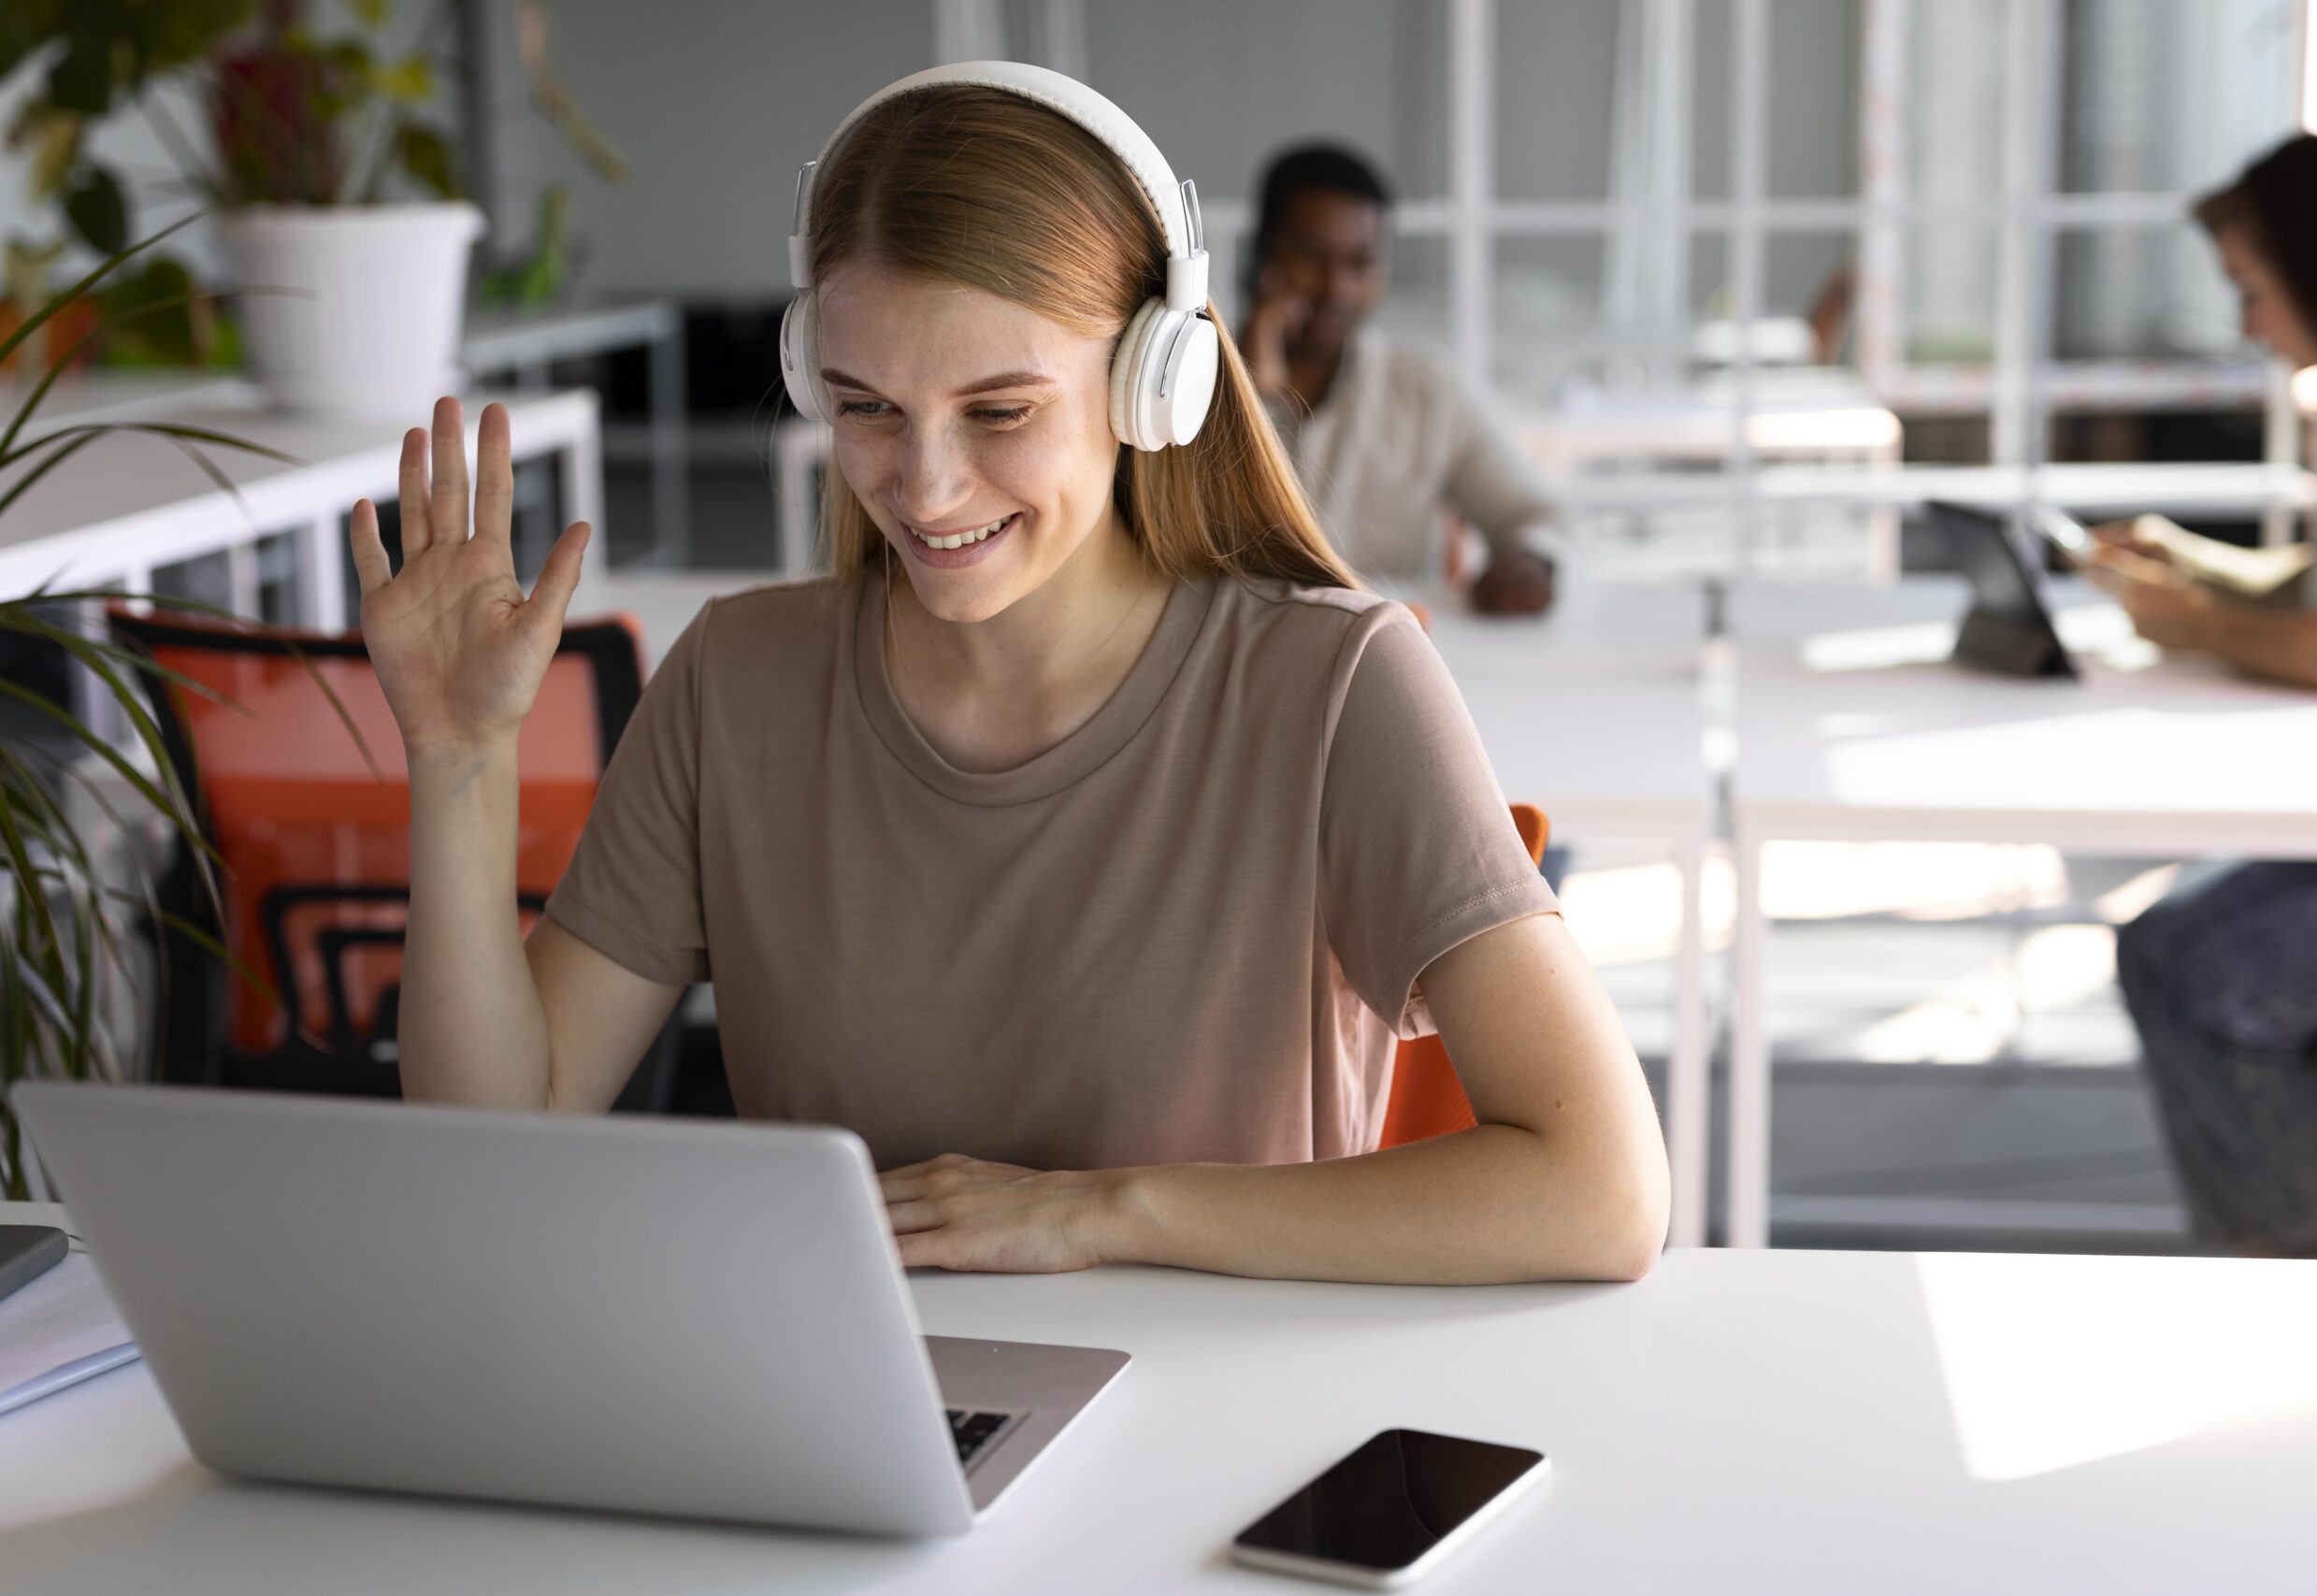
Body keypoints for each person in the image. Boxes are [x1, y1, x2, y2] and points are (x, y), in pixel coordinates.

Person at [347, 65, 1668, 1286]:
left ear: (1158, 381)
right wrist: (459, 762)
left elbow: (1603, 1187)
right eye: (866, 404)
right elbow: (499, 1138)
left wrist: (1100, 1211)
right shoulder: (734, 683)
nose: (921, 486)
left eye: (999, 409)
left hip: (1213, 1453)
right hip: (841, 1429)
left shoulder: (1334, 688)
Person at [2102, 131, 2317, 1258]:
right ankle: (2259, 1258)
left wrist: (2189, 622)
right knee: (2158, 944)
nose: (2247, 326)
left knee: (2227, 985)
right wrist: (2196, 564)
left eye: (2252, 291)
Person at [1238, 143, 1565, 615]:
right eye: (1310, 256)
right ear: (1263, 255)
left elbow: (1536, 516)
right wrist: (1249, 389)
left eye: (1359, 264)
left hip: (1386, 663)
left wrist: (1529, 563)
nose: (1336, 288)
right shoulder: (1197, 387)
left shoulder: (1425, 390)